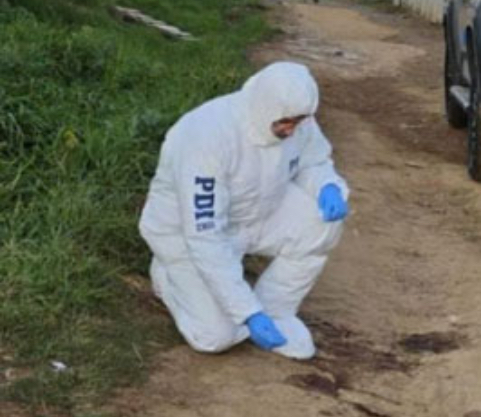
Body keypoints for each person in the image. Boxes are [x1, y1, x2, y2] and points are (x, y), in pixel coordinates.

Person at [138, 62, 350, 359]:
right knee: (215, 336)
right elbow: (205, 235)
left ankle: (275, 309)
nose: (292, 130)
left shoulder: (296, 120)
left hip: (256, 212)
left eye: (299, 121)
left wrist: (327, 185)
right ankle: (167, 277)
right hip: (186, 235)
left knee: (322, 223)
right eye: (285, 122)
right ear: (266, 107)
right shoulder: (208, 136)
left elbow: (313, 159)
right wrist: (247, 312)